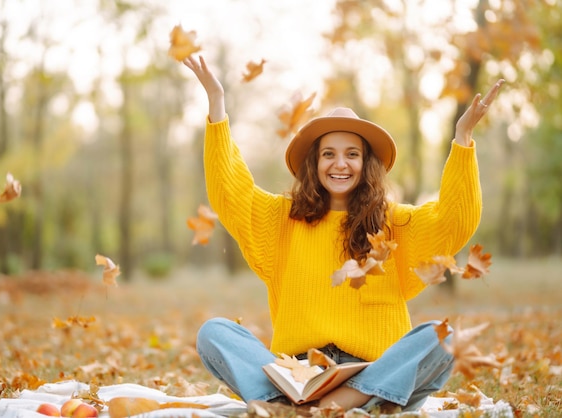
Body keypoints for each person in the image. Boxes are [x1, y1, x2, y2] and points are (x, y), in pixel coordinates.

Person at [182, 54, 504, 414]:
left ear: (366, 164)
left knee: (443, 336)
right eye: (328, 154)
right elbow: (231, 191)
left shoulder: (394, 224)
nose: (340, 164)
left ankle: (333, 405)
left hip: (373, 373)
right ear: (314, 163)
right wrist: (217, 106)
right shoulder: (281, 220)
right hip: (297, 372)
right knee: (215, 332)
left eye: (352, 154)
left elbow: (455, 220)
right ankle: (298, 405)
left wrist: (463, 138)